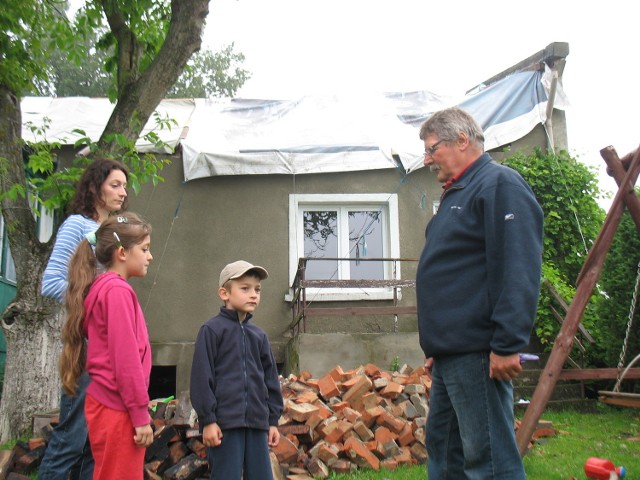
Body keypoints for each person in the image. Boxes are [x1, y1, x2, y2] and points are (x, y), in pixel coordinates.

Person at [416, 107, 543, 479]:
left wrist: (507, 343)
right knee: (445, 453)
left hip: (478, 351)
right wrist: (437, 347)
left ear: (462, 140)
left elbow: (518, 266)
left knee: (487, 460)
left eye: (431, 148)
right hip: (451, 354)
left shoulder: (499, 184)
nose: (426, 158)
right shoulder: (459, 193)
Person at [39, 157, 129, 480]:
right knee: (73, 438)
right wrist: (96, 302)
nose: (122, 193)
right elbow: (50, 284)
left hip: (109, 347)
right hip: (85, 345)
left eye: (124, 187)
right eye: (114, 185)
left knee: (95, 441)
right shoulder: (77, 225)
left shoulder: (115, 232)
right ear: (95, 188)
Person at [59, 212, 154, 479]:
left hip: (110, 406)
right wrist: (139, 415)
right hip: (118, 409)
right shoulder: (117, 292)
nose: (150, 257)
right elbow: (126, 361)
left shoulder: (106, 288)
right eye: (145, 249)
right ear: (122, 253)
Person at [190, 260, 284, 480]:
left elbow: (270, 380)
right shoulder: (211, 331)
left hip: (257, 425)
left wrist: (272, 421)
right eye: (245, 288)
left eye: (257, 289)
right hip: (225, 426)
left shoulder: (259, 336)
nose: (253, 294)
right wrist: (208, 420)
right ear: (224, 293)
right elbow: (201, 379)